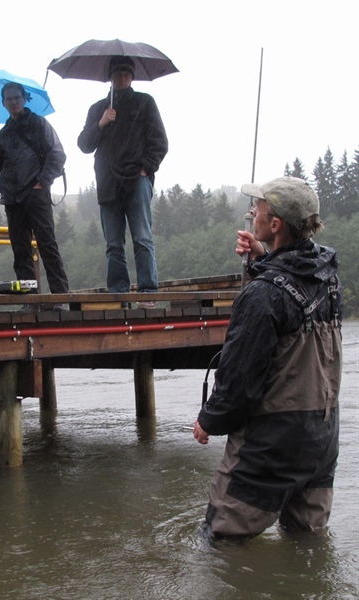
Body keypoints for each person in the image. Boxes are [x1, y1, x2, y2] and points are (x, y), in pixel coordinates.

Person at [193, 176, 343, 542]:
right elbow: (296, 286)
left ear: (274, 224)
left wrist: (209, 420)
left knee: (219, 545)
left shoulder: (261, 295)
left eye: (257, 208)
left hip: (271, 445)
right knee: (307, 545)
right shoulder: (329, 278)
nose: (251, 212)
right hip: (322, 442)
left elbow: (240, 380)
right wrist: (266, 256)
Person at [77, 56, 168, 309]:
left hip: (136, 181)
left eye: (126, 74)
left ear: (132, 77)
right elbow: (84, 144)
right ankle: (119, 295)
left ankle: (148, 293)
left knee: (142, 237)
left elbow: (160, 142)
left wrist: (145, 168)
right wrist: (101, 123)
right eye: (117, 73)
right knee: (113, 244)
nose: (122, 78)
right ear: (110, 76)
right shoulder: (98, 109)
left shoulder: (145, 102)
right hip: (107, 182)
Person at [0, 82, 69, 312]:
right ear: (3, 103)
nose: (13, 102)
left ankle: (60, 297)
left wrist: (42, 181)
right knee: (20, 249)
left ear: (24, 99)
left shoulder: (39, 123)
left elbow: (58, 154)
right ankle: (30, 299)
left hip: (35, 193)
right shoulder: (2, 133)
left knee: (47, 243)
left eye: (16, 97)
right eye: (9, 99)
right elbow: (0, 167)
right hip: (12, 197)